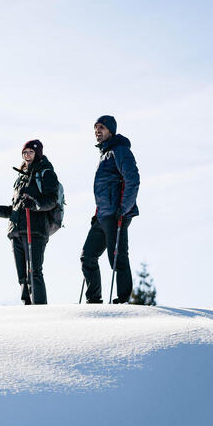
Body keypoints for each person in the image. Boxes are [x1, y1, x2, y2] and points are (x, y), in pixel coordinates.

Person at [0, 139, 59, 305]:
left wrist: (35, 204)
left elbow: (52, 200)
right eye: (24, 152)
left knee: (34, 272)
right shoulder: (21, 178)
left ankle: (39, 308)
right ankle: (27, 307)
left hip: (36, 230)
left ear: (37, 153)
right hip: (17, 231)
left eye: (31, 152)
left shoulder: (46, 173)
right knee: (22, 276)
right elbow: (15, 209)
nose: (27, 155)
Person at [81, 115, 140, 304]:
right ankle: (94, 300)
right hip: (102, 215)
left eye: (102, 127)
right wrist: (97, 212)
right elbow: (105, 188)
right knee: (87, 255)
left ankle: (123, 300)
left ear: (111, 131)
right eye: (95, 127)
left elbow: (132, 179)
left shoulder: (120, 151)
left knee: (117, 257)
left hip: (117, 214)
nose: (97, 131)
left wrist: (124, 208)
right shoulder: (104, 154)